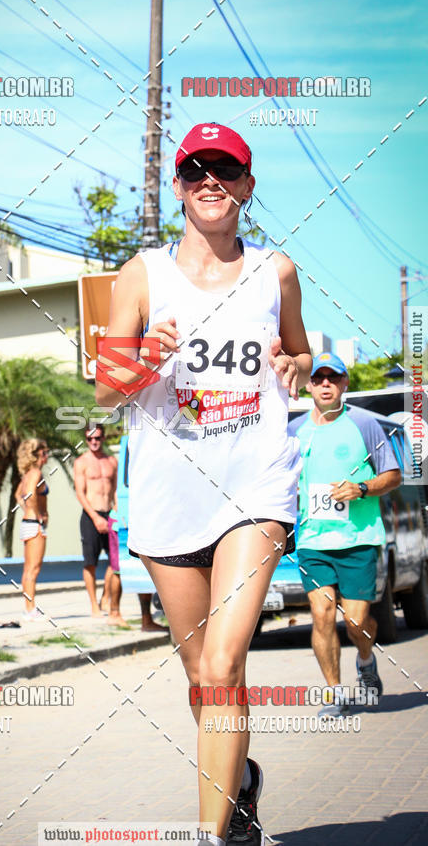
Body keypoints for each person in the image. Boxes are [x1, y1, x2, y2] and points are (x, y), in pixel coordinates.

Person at [96, 122, 311, 846]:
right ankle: (240, 784)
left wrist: (294, 367)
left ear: (247, 185)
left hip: (255, 488)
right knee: (201, 678)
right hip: (168, 496)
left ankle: (210, 837)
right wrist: (144, 360)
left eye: (225, 170)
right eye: (195, 170)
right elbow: (105, 391)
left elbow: (300, 355)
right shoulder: (141, 275)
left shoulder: (276, 272)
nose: (209, 181)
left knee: (223, 665)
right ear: (179, 186)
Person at [288, 352, 401, 715]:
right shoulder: (294, 431)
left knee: (355, 621)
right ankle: (335, 694)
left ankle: (366, 661)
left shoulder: (364, 424)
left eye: (333, 378)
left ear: (344, 383)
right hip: (312, 541)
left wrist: (361, 488)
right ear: (309, 385)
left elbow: (393, 475)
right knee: (321, 613)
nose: (325, 384)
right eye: (318, 378)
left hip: (358, 539)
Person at [73, 424, 125, 623]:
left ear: (103, 438)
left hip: (109, 514)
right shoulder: (81, 462)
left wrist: (117, 513)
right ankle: (94, 604)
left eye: (97, 438)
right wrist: (95, 518)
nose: (93, 442)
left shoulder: (112, 461)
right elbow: (80, 493)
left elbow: (116, 490)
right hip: (91, 515)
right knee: (90, 563)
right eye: (90, 439)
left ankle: (105, 597)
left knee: (115, 561)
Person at [15, 438, 49, 621]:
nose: (47, 455)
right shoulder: (35, 473)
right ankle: (30, 610)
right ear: (38, 454)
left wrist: (28, 510)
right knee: (33, 570)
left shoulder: (27, 474)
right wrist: (38, 514)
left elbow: (18, 496)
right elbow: (29, 495)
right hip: (34, 524)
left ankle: (28, 608)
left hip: (27, 523)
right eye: (45, 452)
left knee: (28, 569)